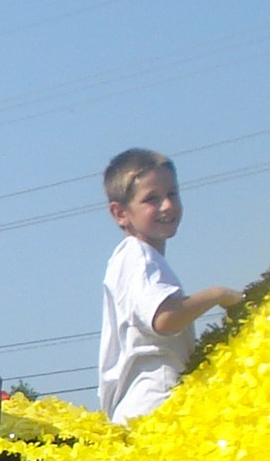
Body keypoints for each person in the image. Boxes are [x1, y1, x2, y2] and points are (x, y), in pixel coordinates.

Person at [96, 149, 241, 424]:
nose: (167, 206)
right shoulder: (139, 257)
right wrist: (217, 295)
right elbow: (164, 319)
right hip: (156, 404)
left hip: (138, 408)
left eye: (172, 194)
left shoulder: (132, 258)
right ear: (120, 213)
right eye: (151, 199)